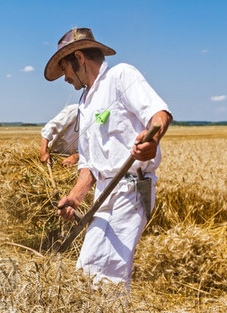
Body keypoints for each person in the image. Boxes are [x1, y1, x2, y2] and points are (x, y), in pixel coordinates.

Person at [45, 28, 172, 291]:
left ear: (79, 58)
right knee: (87, 269)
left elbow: (159, 114)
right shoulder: (85, 102)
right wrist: (75, 196)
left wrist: (153, 140)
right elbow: (89, 163)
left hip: (130, 189)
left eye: (65, 68)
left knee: (110, 276)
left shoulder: (120, 76)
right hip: (104, 191)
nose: (65, 78)